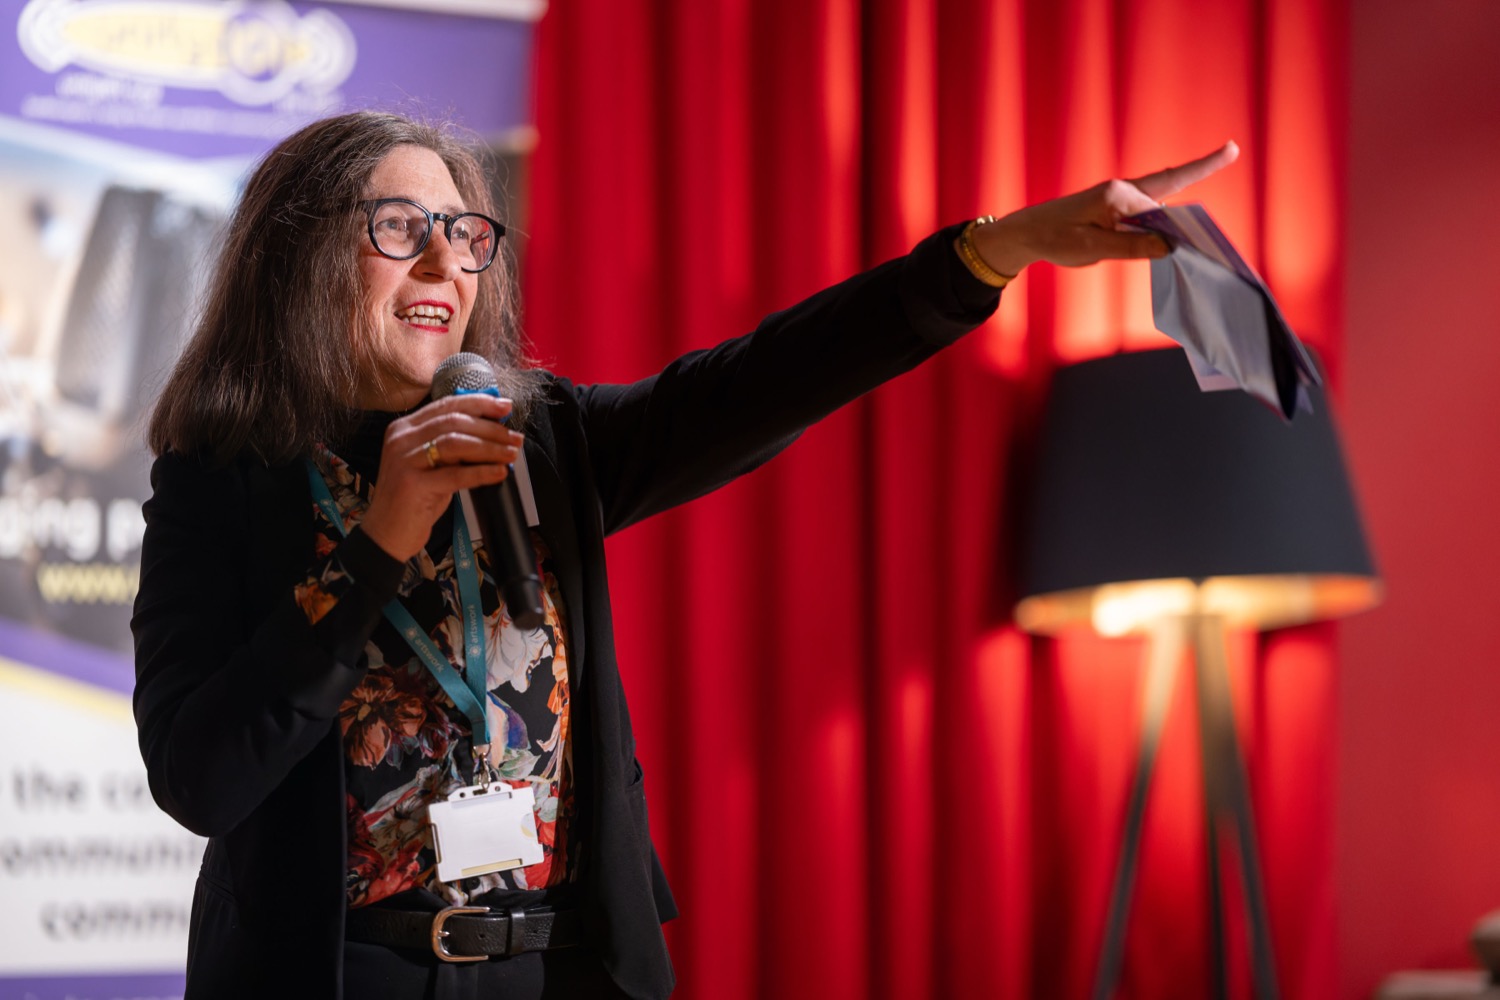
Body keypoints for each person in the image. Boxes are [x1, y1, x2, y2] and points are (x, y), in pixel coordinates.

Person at [131, 110, 1236, 999]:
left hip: (560, 967)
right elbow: (203, 775)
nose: (443, 258)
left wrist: (994, 250)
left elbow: (764, 376)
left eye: (466, 233)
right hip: (340, 972)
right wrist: (379, 541)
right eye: (397, 226)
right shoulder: (224, 477)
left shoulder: (541, 441)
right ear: (299, 258)